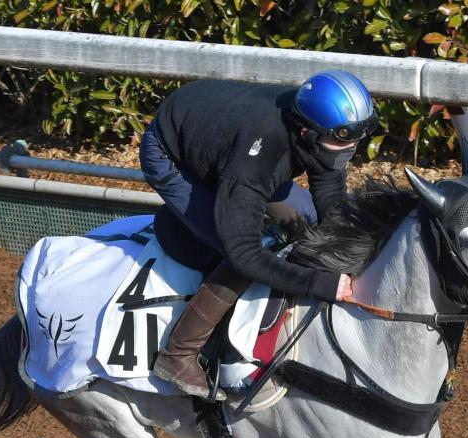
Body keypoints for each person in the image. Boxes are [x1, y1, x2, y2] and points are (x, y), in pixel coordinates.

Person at [138, 69, 378, 399]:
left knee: (305, 220)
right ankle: (178, 355)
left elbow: (330, 196)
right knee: (236, 251)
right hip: (173, 157)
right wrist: (317, 283)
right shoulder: (257, 161)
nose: (349, 148)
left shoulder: (316, 131)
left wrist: (350, 250)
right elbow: (244, 253)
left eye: (355, 139)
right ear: (306, 132)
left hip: (229, 145)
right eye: (341, 140)